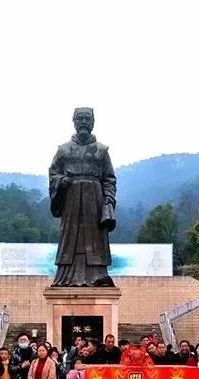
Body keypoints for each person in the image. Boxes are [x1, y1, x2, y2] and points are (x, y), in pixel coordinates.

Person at [48, 106, 117, 287]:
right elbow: (53, 173)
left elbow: (109, 179)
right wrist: (61, 181)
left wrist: (108, 201)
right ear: (74, 122)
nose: (84, 122)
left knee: (95, 237)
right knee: (70, 236)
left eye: (87, 118)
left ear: (93, 122)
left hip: (94, 200)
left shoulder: (101, 150)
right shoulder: (63, 150)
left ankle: (97, 275)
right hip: (70, 198)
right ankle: (66, 276)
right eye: (80, 118)